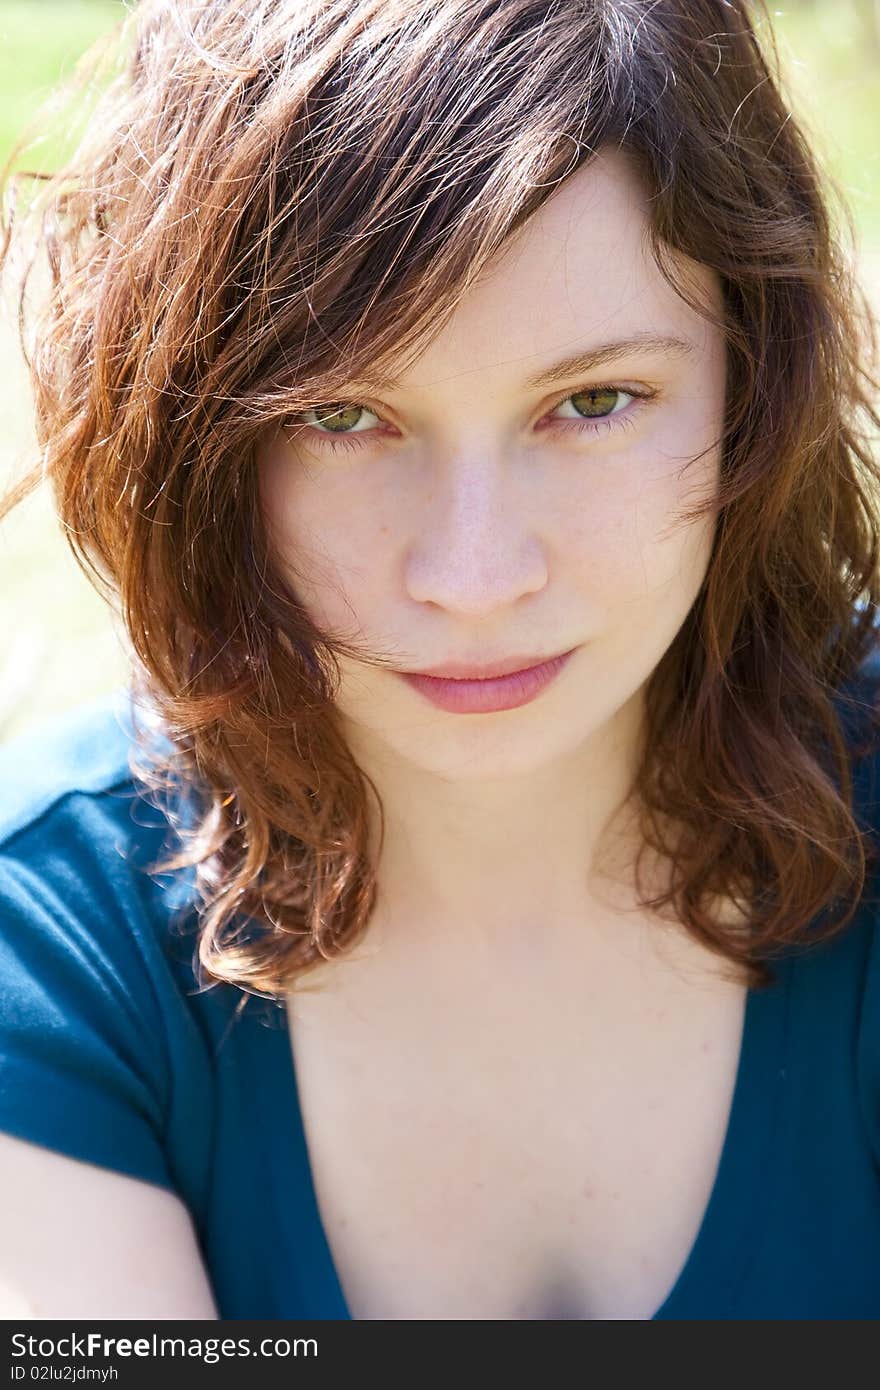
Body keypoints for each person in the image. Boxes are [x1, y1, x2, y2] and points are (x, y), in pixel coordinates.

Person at [0, 0, 879, 1321]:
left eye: (593, 402)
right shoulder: (58, 946)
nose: (473, 577)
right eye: (345, 417)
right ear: (198, 438)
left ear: (755, 383)